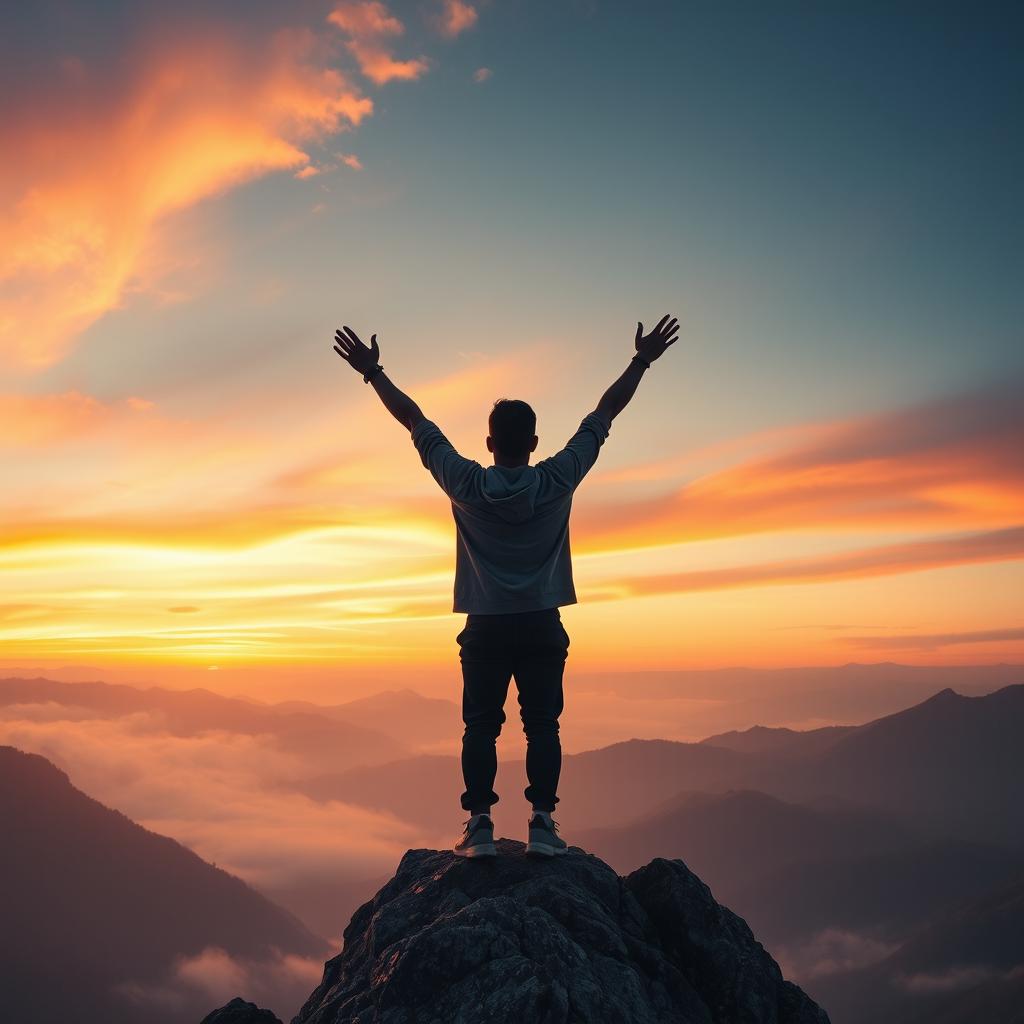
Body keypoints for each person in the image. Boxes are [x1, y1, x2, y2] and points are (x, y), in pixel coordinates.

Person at [332, 315, 679, 858]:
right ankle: (543, 821)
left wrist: (373, 373)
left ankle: (480, 826)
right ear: (535, 442)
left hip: (486, 625)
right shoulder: (558, 478)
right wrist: (641, 361)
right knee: (543, 724)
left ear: (489, 442)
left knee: (480, 727)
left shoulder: (465, 482)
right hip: (542, 621)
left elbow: (414, 420)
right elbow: (604, 414)